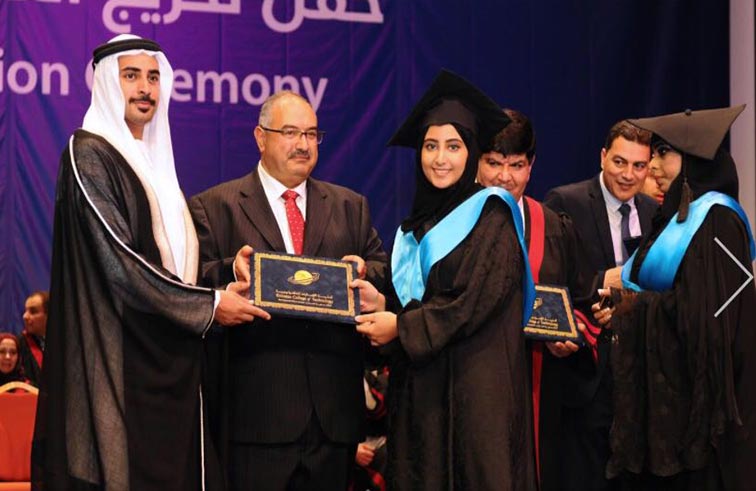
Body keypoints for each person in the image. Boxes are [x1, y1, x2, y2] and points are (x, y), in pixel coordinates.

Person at [31, 34, 264, 491]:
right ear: (107, 83)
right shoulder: (88, 152)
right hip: (119, 363)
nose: (145, 89)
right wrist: (211, 305)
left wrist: (222, 275)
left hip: (169, 363)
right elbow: (119, 261)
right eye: (131, 76)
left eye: (154, 77)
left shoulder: (154, 165)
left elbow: (167, 264)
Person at [189, 90, 388, 491]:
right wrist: (229, 272)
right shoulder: (215, 207)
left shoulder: (350, 206)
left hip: (333, 421)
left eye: (312, 134)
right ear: (260, 137)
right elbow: (193, 285)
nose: (304, 144)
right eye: (291, 132)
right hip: (255, 418)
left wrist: (368, 276)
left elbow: (381, 270)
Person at [355, 70, 536, 490]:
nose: (440, 158)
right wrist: (381, 302)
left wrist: (400, 327)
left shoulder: (492, 216)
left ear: (471, 153)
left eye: (454, 146)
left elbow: (468, 303)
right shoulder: (417, 224)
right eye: (430, 145)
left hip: (476, 396)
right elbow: (422, 295)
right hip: (423, 401)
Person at [594, 105, 756, 490]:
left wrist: (632, 309)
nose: (652, 166)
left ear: (694, 160)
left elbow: (704, 320)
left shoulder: (718, 222)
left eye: (663, 153)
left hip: (706, 418)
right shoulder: (677, 216)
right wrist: (625, 305)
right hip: (670, 408)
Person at [477, 108, 596, 490]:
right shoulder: (448, 224)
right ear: (477, 162)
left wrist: (571, 336)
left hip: (537, 390)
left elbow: (582, 303)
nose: (504, 177)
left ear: (531, 167)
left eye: (516, 165)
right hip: (471, 387)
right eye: (493, 163)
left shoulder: (553, 227)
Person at [543, 120, 658, 490]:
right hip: (585, 376)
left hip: (639, 377)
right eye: (620, 162)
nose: (628, 175)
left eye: (638, 166)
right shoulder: (566, 202)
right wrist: (604, 283)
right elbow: (550, 283)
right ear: (603, 156)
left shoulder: (654, 211)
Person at [17, 291, 48, 386]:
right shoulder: (19, 345)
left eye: (33, 311)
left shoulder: (67, 344)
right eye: (25, 311)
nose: (25, 316)